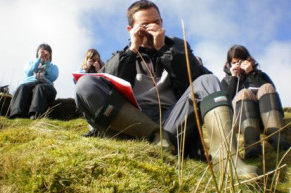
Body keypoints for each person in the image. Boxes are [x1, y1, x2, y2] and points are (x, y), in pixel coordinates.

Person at [75, 0, 258, 178]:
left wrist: (164, 49)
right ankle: (156, 137)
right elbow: (105, 87)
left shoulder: (178, 49)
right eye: (145, 25)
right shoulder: (121, 56)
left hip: (174, 123)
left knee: (209, 80)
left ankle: (229, 162)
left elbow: (199, 82)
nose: (152, 28)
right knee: (85, 84)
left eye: (157, 22)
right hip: (135, 127)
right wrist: (132, 50)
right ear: (131, 30)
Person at [221, 45, 290, 159]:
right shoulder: (226, 81)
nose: (238, 65)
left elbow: (271, 92)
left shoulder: (260, 75)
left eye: (240, 61)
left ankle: (276, 137)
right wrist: (234, 78)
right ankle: (252, 145)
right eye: (234, 62)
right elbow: (226, 102)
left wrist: (251, 74)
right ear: (229, 64)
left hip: (265, 116)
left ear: (248, 60)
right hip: (240, 119)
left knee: (266, 87)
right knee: (244, 93)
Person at [10, 43, 59, 119]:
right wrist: (38, 60)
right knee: (23, 87)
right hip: (30, 83)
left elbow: (53, 77)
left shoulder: (53, 67)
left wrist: (47, 63)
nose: (43, 55)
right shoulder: (30, 63)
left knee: (39, 88)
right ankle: (17, 114)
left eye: (46, 53)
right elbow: (28, 72)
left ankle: (35, 114)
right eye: (41, 53)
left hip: (46, 85)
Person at [76, 48, 104, 137]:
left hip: (99, 92)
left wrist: (98, 69)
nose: (94, 62)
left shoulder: (102, 67)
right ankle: (94, 129)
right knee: (87, 110)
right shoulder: (82, 68)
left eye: (97, 60)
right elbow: (76, 80)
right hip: (87, 94)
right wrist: (86, 69)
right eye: (92, 60)